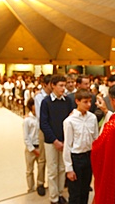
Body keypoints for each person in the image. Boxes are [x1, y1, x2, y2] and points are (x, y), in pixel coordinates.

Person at [40, 74, 72, 204]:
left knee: (62, 169)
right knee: (53, 170)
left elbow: (70, 120)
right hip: (51, 141)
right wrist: (55, 140)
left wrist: (66, 140)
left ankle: (59, 193)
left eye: (64, 85)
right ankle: (53, 197)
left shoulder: (68, 101)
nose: (63, 88)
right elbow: (44, 123)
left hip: (65, 141)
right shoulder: (46, 102)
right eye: (60, 86)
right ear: (53, 86)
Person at [63, 89, 98, 204]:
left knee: (85, 190)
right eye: (85, 102)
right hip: (76, 158)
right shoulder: (70, 121)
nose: (88, 105)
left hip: (88, 156)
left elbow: (95, 139)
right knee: (75, 193)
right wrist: (69, 168)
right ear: (77, 101)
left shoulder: (92, 118)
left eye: (90, 102)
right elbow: (67, 145)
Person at [34, 74, 52, 196]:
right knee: (42, 158)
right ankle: (40, 183)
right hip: (44, 128)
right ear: (45, 85)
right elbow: (41, 116)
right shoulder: (39, 97)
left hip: (56, 127)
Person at [22, 98, 41, 193]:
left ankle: (39, 185)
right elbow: (26, 137)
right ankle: (30, 187)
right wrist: (33, 149)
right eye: (34, 105)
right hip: (31, 148)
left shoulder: (41, 117)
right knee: (29, 169)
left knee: (41, 168)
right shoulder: (27, 120)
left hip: (40, 147)